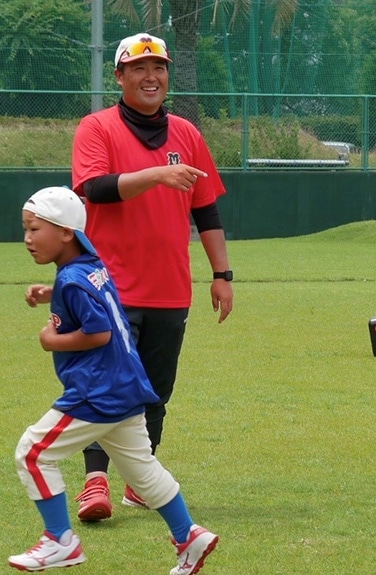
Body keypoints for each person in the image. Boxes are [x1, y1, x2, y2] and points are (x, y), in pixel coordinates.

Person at [12, 187, 218, 575]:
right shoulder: (91, 266)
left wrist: (51, 340)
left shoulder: (73, 279)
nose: (27, 238)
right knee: (142, 470)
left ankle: (60, 540)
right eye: (25, 229)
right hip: (127, 387)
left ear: (66, 233)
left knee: (32, 453)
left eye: (34, 228)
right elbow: (95, 296)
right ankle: (188, 535)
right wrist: (51, 293)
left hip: (98, 392)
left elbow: (99, 332)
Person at [70, 33, 234, 521]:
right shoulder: (95, 128)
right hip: (108, 286)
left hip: (168, 288)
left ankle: (143, 481)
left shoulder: (187, 134)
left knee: (154, 389)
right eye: (138, 68)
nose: (150, 76)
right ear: (119, 77)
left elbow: (206, 211)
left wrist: (222, 273)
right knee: (106, 385)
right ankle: (94, 481)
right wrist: (158, 175)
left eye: (158, 68)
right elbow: (94, 188)